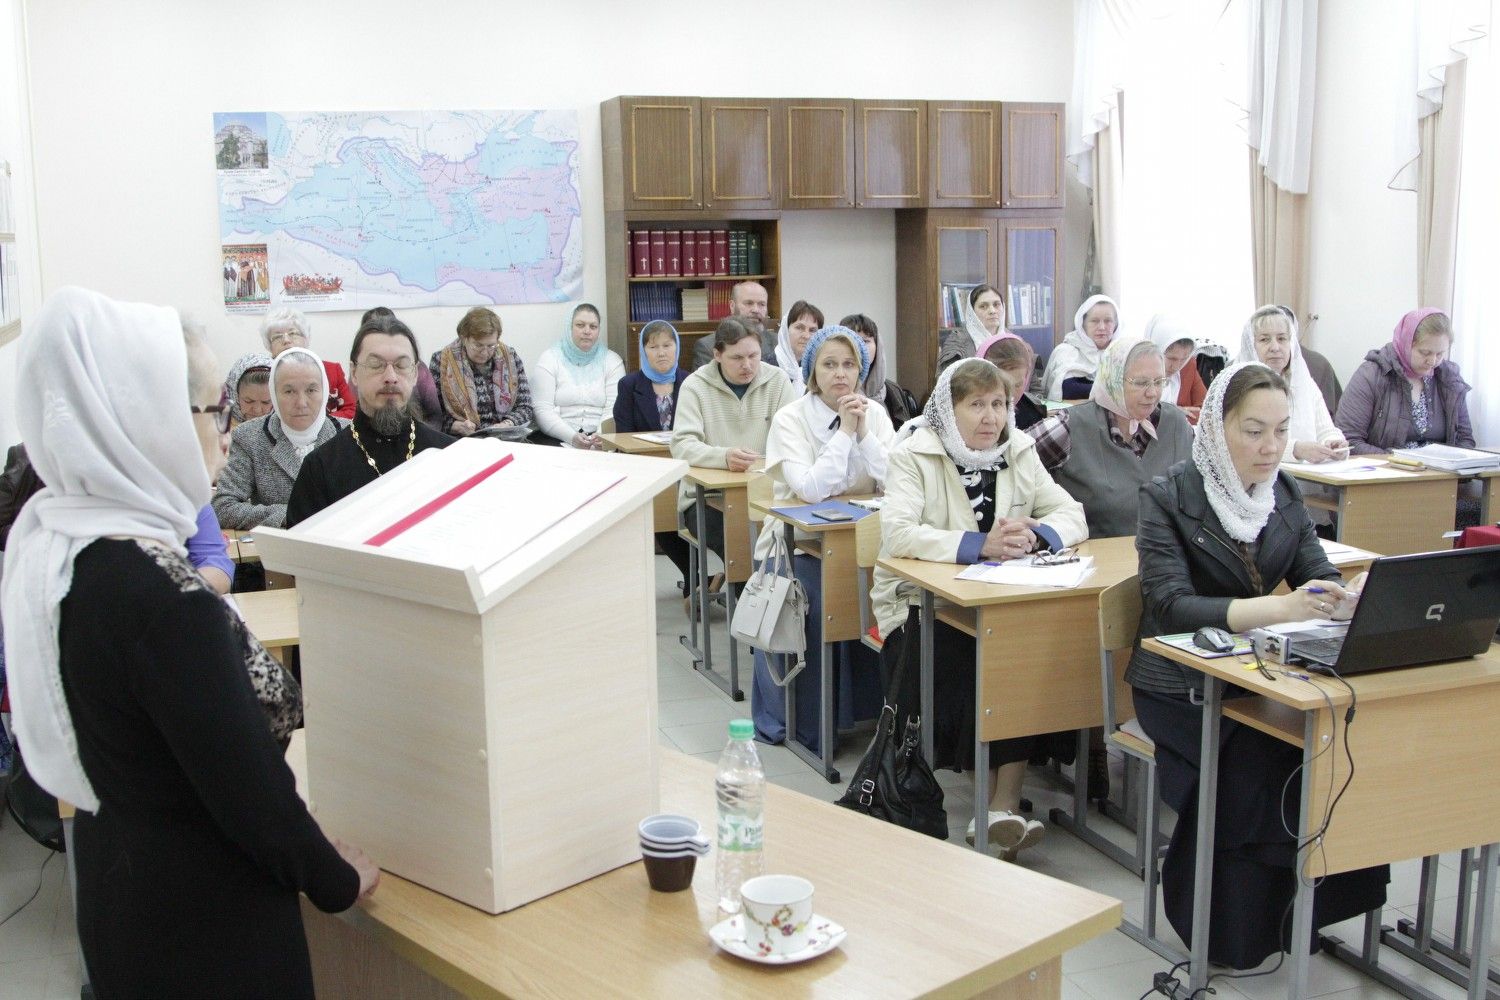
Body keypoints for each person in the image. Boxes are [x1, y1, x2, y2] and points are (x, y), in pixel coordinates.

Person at [1, 287, 378, 997]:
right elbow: (250, 795)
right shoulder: (164, 603)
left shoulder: (71, 551)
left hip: (124, 899)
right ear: (150, 421)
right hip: (205, 930)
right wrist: (334, 877)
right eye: (215, 410)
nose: (229, 432)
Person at [1126, 361, 1386, 969]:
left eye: (1281, 430)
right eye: (1254, 431)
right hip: (1177, 686)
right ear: (1217, 429)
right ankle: (1233, 926)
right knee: (1266, 755)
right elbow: (1170, 606)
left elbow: (1316, 571)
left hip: (1255, 678)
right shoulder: (1168, 497)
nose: (1271, 447)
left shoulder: (1283, 494)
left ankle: (1306, 911)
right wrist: (1279, 608)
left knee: (1334, 745)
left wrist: (1344, 595)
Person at [871, 358, 1087, 854]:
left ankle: (1001, 806)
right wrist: (978, 545)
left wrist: (1038, 534)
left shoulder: (1019, 449)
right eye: (976, 405)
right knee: (970, 658)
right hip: (920, 605)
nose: (991, 417)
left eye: (999, 404)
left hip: (1000, 601)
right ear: (949, 410)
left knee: (1021, 658)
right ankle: (992, 809)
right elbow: (898, 533)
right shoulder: (915, 452)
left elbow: (1071, 512)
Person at [752, 327, 895, 750]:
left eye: (849, 365)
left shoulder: (876, 414)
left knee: (898, 595)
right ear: (812, 372)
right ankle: (814, 724)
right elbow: (811, 489)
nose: (840, 374)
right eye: (829, 364)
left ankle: (879, 715)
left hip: (864, 541)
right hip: (796, 546)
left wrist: (864, 433)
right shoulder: (791, 418)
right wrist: (845, 433)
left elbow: (897, 480)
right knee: (820, 597)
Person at [285, 314, 453, 526]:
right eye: (376, 365)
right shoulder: (320, 467)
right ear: (354, 373)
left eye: (401, 365)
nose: (390, 377)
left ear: (414, 374)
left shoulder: (449, 454)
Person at [1029, 337, 1195, 539]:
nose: (1152, 393)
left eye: (1159, 382)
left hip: (1168, 555)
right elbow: (1012, 461)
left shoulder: (1177, 424)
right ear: (1112, 380)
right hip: (1097, 555)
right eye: (1141, 383)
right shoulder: (1070, 426)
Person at [671, 317, 796, 573]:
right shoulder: (695, 386)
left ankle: (772, 592)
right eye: (737, 358)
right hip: (707, 498)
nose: (747, 365)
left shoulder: (778, 381)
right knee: (738, 540)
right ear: (717, 355)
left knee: (793, 537)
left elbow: (794, 438)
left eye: (753, 356)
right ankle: (749, 595)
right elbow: (682, 445)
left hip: (767, 493)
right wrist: (723, 457)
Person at [214, 347, 343, 530]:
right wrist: (289, 515)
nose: (301, 403)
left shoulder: (349, 434)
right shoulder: (249, 437)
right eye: (289, 391)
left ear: (324, 391)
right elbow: (223, 507)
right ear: (274, 394)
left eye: (311, 390)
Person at [613, 320, 693, 596]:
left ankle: (699, 580)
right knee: (660, 512)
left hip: (686, 467)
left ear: (677, 347)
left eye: (667, 345)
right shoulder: (629, 385)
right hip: (647, 469)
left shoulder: (690, 382)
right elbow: (623, 434)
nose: (661, 352)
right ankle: (694, 576)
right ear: (643, 350)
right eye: (653, 346)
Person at [1336, 308, 1475, 455]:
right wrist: (1402, 461)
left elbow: (1464, 440)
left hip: (1440, 468)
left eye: (1440, 354)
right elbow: (1349, 441)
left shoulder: (1449, 378)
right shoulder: (1371, 375)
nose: (1432, 361)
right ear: (1406, 344)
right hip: (1386, 467)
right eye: (1425, 353)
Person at [1236, 305, 1349, 463]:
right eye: (1264, 340)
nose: (1275, 347)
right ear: (1250, 346)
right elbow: (1243, 443)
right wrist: (1296, 450)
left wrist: (1334, 444)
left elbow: (1326, 430)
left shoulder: (1305, 384)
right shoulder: (1240, 386)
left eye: (1282, 339)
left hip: (1308, 475)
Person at [531, 303, 625, 449]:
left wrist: (601, 436)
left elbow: (615, 408)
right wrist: (571, 437)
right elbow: (542, 409)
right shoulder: (549, 358)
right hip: (558, 439)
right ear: (569, 327)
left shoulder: (612, 361)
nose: (587, 331)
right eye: (580, 325)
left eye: (593, 326)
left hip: (600, 439)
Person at [431, 306, 534, 438]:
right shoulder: (442, 361)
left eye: (491, 345)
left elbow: (525, 406)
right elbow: (432, 414)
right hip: (463, 440)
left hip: (505, 438)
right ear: (464, 338)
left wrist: (507, 424)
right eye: (478, 345)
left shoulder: (510, 358)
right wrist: (454, 426)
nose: (485, 352)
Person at [260, 306, 357, 419]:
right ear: (269, 346)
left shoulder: (332, 370)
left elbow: (351, 410)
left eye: (292, 333)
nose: (286, 340)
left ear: (306, 338)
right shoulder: (263, 376)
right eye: (277, 337)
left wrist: (318, 423)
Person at [363, 306, 443, 432]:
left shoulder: (418, 369)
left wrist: (424, 438)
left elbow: (435, 416)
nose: (390, 377)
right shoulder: (360, 370)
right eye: (375, 330)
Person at [841, 312, 917, 429]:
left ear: (877, 346)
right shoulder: (833, 389)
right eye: (852, 341)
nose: (860, 347)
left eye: (865, 341)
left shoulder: (893, 390)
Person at [1041, 294, 1119, 400]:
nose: (1102, 327)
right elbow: (1067, 389)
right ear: (1083, 324)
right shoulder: (1066, 350)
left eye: (1108, 321)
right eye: (1094, 321)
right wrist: (1113, 391)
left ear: (1116, 325)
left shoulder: (1121, 353)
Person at [690, 280, 776, 369]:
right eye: (749, 303)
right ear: (732, 306)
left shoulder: (777, 342)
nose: (756, 310)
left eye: (762, 304)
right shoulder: (707, 346)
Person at [1144, 314, 1207, 424]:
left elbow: (1207, 411)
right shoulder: (1139, 370)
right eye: (1171, 358)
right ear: (1157, 350)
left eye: (1184, 358)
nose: (1177, 366)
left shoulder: (1189, 366)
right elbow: (1137, 411)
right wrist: (1173, 413)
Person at [977, 331, 1046, 430]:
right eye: (1003, 385)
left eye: (1018, 385)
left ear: (1026, 378)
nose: (1010, 393)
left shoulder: (1032, 414)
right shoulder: (969, 415)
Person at [937, 284, 1007, 373]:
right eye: (983, 306)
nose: (992, 311)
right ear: (972, 312)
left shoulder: (1011, 339)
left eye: (996, 305)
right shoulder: (958, 342)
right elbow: (947, 379)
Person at [771, 300, 825, 395]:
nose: (806, 336)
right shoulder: (767, 366)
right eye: (799, 328)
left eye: (812, 330)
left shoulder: (817, 368)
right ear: (785, 330)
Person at [224, 351, 273, 428]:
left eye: (266, 402)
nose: (257, 410)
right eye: (249, 401)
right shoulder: (217, 428)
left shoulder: (285, 429)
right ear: (234, 395)